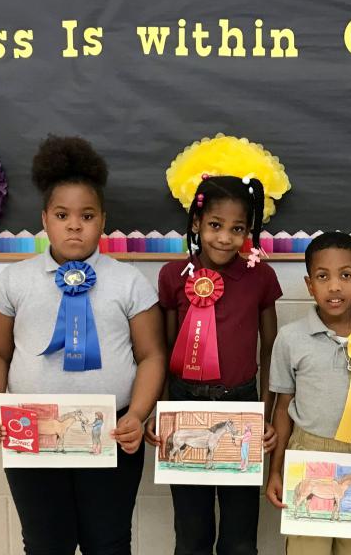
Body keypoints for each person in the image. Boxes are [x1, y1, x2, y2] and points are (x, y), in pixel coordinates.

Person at [0, 135, 166, 554]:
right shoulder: (14, 281)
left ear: (102, 220)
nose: (74, 224)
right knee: (45, 543)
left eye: (87, 215)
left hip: (113, 431)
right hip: (31, 431)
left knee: (109, 542)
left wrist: (138, 413)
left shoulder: (129, 281)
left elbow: (151, 355)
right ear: (45, 219)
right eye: (62, 214)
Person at [147, 173, 282, 555]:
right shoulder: (173, 276)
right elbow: (165, 347)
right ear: (197, 224)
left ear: (248, 231)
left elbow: (270, 347)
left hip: (241, 406)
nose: (224, 237)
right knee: (191, 534)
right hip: (185, 404)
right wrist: (161, 410)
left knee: (240, 539)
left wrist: (266, 413)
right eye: (215, 226)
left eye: (237, 229)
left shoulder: (261, 276)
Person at [267, 232, 351, 555]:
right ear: (309, 284)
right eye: (323, 276)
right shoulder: (290, 338)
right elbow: (283, 407)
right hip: (308, 455)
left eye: (346, 275)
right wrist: (275, 470)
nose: (335, 286)